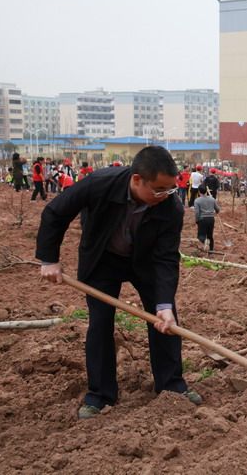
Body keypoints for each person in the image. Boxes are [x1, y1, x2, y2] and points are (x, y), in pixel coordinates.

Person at [36, 146, 201, 419]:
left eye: (170, 189)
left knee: (165, 321)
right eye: (159, 189)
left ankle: (171, 384)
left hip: (145, 262)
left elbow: (166, 257)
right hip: (103, 260)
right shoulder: (99, 184)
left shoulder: (170, 206)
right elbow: (55, 212)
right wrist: (49, 259)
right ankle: (100, 395)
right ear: (137, 180)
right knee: (100, 323)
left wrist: (163, 303)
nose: (167, 195)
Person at [194, 184, 220, 251]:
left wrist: (197, 220)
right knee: (210, 235)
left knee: (201, 236)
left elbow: (197, 212)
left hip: (202, 219)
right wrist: (216, 212)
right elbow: (217, 209)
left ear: (199, 191)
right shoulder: (212, 199)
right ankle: (211, 250)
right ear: (206, 191)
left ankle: (204, 244)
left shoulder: (197, 201)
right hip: (211, 219)